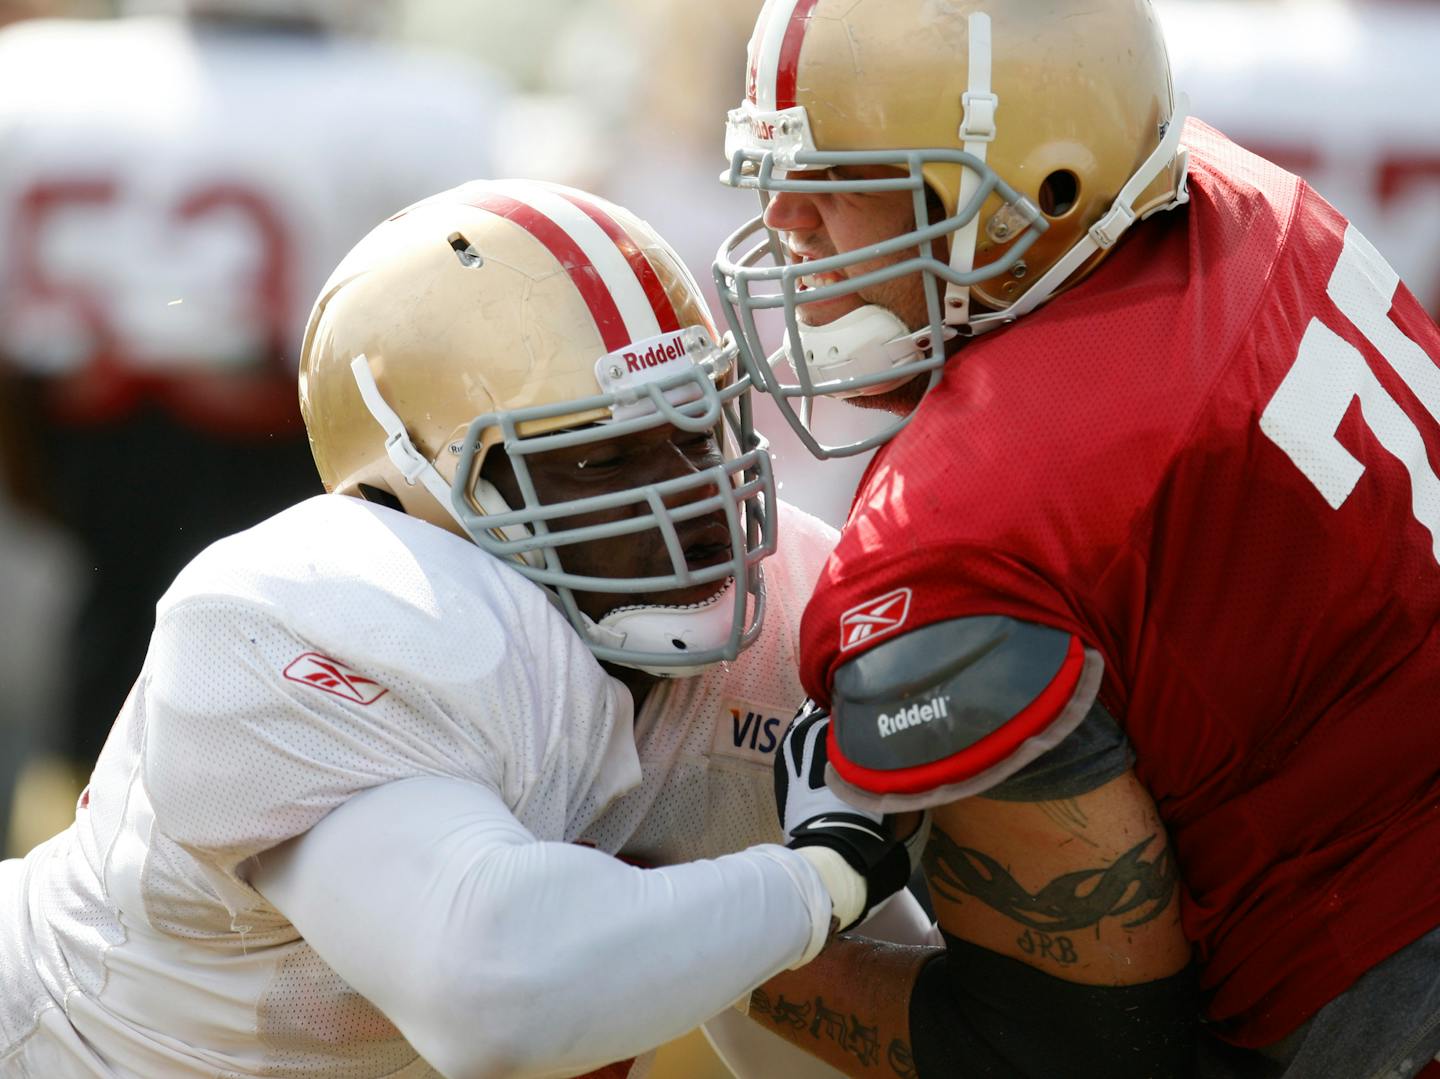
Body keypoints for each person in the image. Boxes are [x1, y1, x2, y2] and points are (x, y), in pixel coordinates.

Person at [0, 178, 934, 1079]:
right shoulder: (305, 613)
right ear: (410, 485)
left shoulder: (793, 605)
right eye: (603, 457)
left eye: (700, 428)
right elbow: (498, 992)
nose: (691, 503)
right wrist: (822, 877)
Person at [711, 1, 1440, 1076]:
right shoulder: (1223, 186)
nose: (785, 223)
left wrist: (701, 937)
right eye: (771, 175)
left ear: (1039, 186)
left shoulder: (956, 535)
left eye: (833, 176)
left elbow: (1078, 1051)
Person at [0, 0, 508, 814]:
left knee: (72, 729)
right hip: (286, 465)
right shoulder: (421, 104)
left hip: (69, 475)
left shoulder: (36, 78)